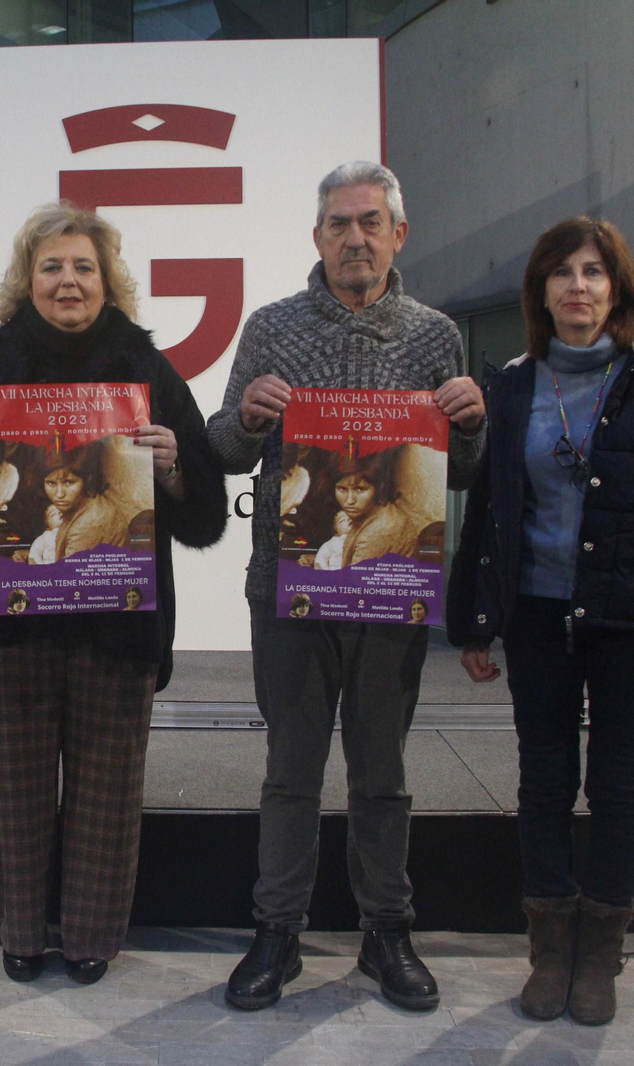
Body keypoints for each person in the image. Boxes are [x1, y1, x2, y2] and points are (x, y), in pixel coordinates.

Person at [0, 202, 226, 985]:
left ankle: (89, 939)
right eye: (52, 267)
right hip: (10, 624)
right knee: (11, 789)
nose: (68, 281)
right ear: (28, 279)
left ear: (106, 279)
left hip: (119, 624)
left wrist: (175, 463)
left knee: (107, 796)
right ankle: (19, 933)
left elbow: (207, 510)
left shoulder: (148, 369)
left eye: (83, 266)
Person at [207, 162, 486, 1012]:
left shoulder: (436, 335)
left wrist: (473, 426)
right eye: (338, 223)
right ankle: (278, 932)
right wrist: (247, 417)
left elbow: (459, 474)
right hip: (290, 591)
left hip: (390, 592)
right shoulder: (270, 325)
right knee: (289, 771)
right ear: (317, 236)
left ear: (399, 234)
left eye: (370, 221)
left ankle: (386, 933)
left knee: (383, 771)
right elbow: (221, 445)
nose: (354, 237)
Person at [448, 217, 634, 1026]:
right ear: (541, 291)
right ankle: (548, 953)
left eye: (594, 272)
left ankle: (599, 960)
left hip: (632, 623)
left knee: (617, 785)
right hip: (537, 617)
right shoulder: (513, 383)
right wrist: (475, 619)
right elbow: (491, 512)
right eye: (562, 273)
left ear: (618, 288)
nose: (578, 287)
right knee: (544, 783)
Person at [25, 441, 136, 564]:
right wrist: (27, 554)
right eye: (51, 483)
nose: (59, 494)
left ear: (87, 480)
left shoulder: (88, 525)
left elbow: (66, 578)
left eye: (68, 482)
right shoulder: (83, 505)